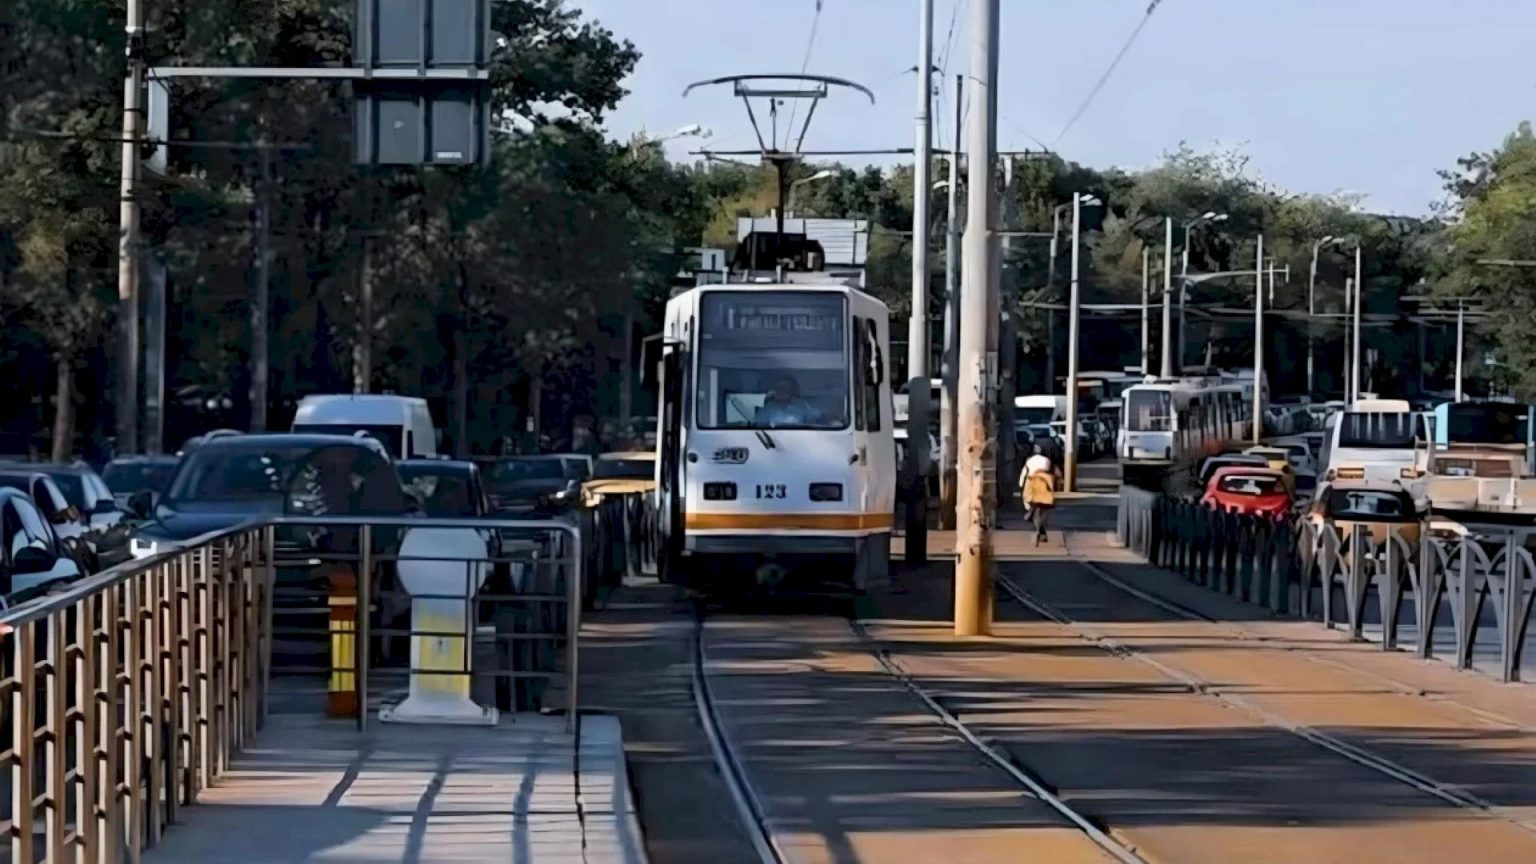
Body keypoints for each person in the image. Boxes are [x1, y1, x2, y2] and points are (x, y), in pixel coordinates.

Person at [1019, 444, 1061, 545]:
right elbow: (1056, 474)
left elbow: (1023, 474)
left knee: (1032, 504)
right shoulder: (1047, 461)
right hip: (1045, 485)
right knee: (1044, 509)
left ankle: (1032, 516)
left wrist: (1021, 485)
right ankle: (1041, 530)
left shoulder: (1029, 461)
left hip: (1032, 484)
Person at [754, 376, 823, 428]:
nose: (782, 390)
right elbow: (758, 427)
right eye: (779, 388)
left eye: (785, 388)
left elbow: (814, 421)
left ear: (792, 391)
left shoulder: (802, 404)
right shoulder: (768, 408)